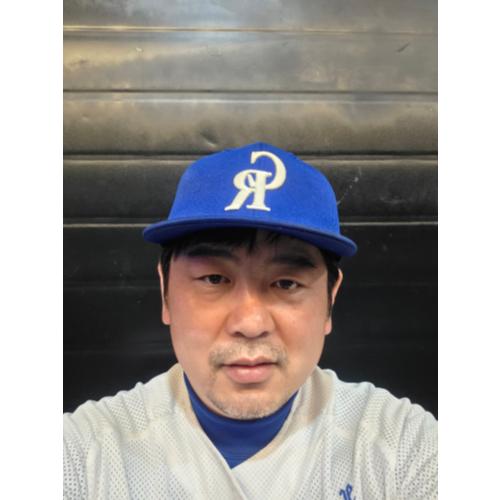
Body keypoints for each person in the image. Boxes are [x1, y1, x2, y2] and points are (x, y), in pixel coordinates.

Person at [63, 143, 437, 499]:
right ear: (165, 293)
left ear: (330, 298)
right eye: (214, 279)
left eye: (286, 283)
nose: (251, 323)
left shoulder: (402, 445)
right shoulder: (84, 453)